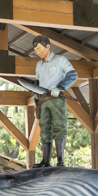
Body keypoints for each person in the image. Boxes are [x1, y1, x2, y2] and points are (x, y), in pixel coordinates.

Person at [31, 35, 78, 168]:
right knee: (44, 128)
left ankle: (60, 161)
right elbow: (37, 81)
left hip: (56, 98)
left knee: (59, 127)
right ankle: (46, 161)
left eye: (40, 49)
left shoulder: (60, 60)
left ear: (48, 46)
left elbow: (73, 74)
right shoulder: (38, 65)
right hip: (42, 100)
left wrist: (61, 87)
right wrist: (35, 93)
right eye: (36, 50)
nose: (38, 52)